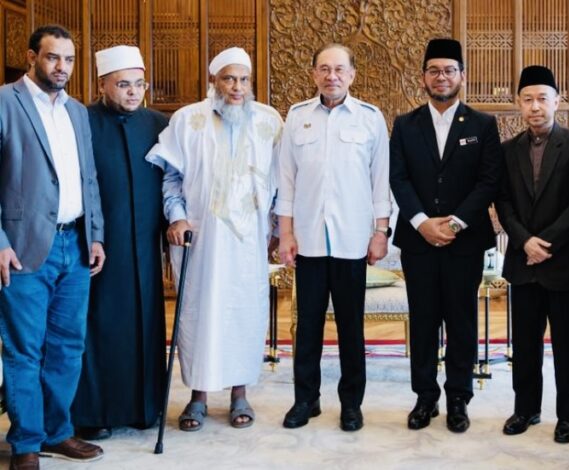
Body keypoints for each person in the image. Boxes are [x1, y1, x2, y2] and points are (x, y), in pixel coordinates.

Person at [146, 47, 283, 432]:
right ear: (213, 81)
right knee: (199, 313)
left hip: (249, 241)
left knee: (244, 311)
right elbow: (172, 178)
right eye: (228, 79)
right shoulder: (187, 119)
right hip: (201, 239)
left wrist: (276, 229)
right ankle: (198, 397)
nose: (237, 87)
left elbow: (281, 181)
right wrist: (177, 216)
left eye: (243, 79)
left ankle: (240, 393)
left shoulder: (270, 121)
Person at [0, 24, 106, 469]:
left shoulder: (76, 111)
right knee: (24, 349)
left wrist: (95, 234)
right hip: (22, 247)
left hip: (75, 245)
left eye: (69, 59)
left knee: (67, 346)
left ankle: (57, 432)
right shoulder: (5, 102)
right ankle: (26, 443)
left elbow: (88, 177)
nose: (62, 67)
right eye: (52, 57)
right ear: (31, 57)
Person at [277, 43, 391, 432]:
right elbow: (286, 180)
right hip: (308, 239)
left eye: (339, 69)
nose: (332, 76)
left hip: (352, 240)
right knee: (307, 326)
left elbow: (380, 182)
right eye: (324, 69)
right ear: (314, 74)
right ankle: (305, 400)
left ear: (352, 75)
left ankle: (351, 404)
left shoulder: (370, 119)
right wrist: (285, 233)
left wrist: (380, 232)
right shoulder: (297, 117)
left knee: (350, 328)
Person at [389, 38, 502, 433]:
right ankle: (425, 397)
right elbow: (398, 179)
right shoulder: (405, 124)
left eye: (449, 70)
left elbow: (488, 181)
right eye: (434, 70)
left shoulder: (482, 125)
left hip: (464, 242)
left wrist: (454, 224)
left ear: (462, 76)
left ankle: (458, 397)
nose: (442, 77)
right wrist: (423, 222)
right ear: (423, 77)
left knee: (461, 319)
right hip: (417, 241)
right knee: (422, 320)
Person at [71, 45, 169, 441]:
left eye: (139, 84)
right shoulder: (82, 120)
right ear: (102, 85)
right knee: (98, 325)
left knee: (145, 322)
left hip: (145, 244)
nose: (133, 92)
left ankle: (144, 408)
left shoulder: (159, 124)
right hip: (97, 244)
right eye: (123, 84)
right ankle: (94, 413)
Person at [495, 65, 569, 443]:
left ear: (557, 101)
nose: (535, 106)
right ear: (518, 103)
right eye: (527, 99)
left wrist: (545, 243)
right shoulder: (508, 150)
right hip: (523, 261)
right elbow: (503, 202)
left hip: (563, 260)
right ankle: (526, 409)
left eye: (542, 99)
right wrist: (524, 242)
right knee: (525, 344)